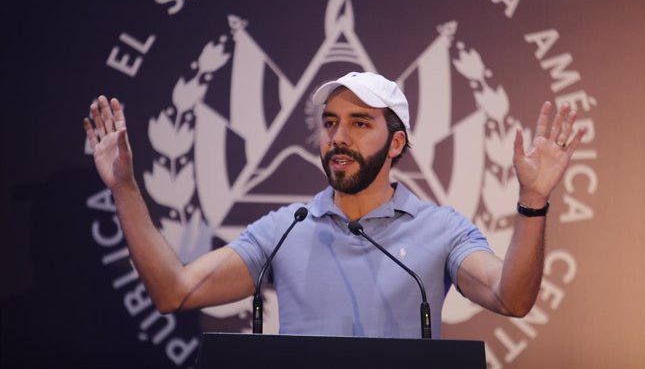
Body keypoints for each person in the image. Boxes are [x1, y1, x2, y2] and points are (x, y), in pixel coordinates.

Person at [83, 71, 584, 338]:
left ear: (395, 144)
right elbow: (175, 292)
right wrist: (125, 187)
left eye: (360, 123)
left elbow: (511, 298)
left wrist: (533, 201)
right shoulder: (285, 229)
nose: (337, 137)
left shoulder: (440, 230)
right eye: (329, 122)